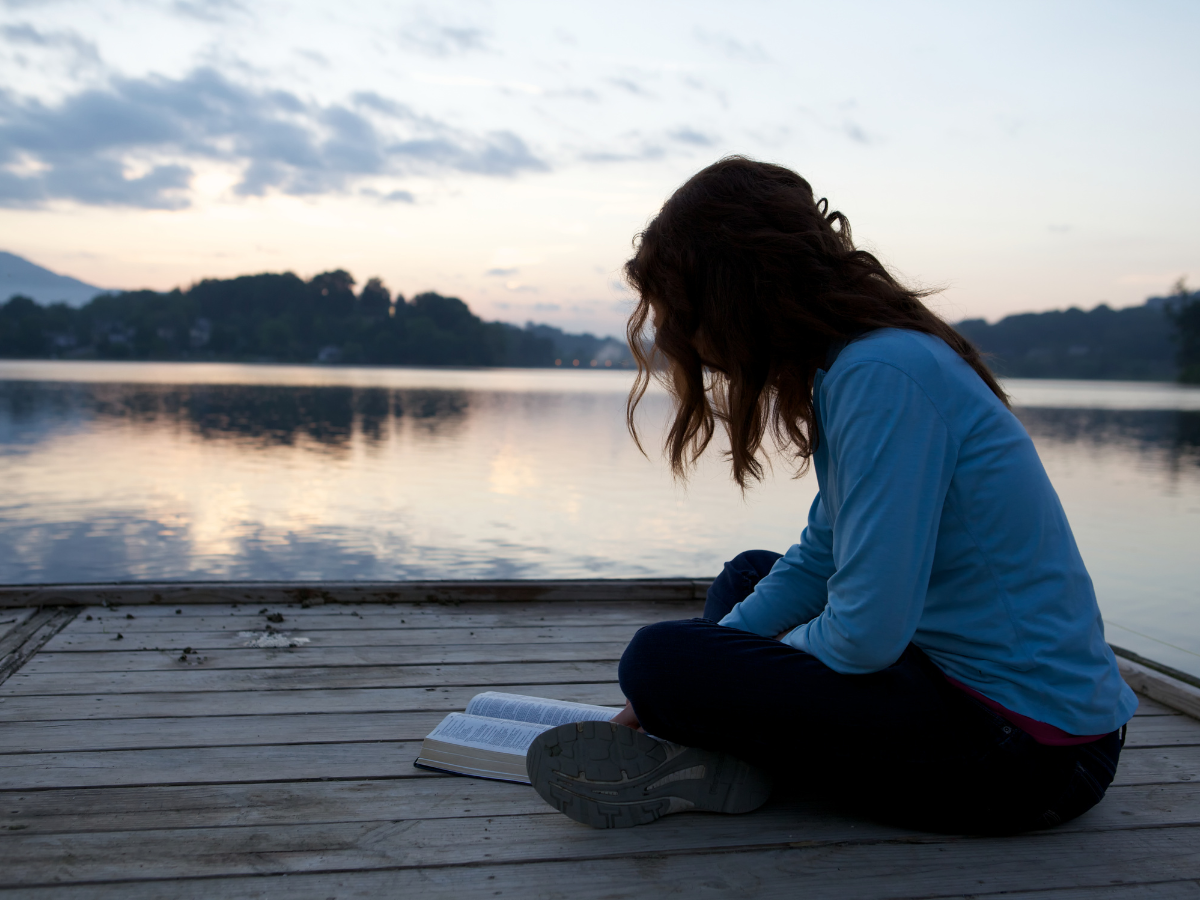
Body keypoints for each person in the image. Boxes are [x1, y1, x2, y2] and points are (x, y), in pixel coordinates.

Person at [525, 156, 1136, 833]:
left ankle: (728, 752)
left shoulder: (881, 373)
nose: (690, 342)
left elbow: (866, 634)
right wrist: (721, 670)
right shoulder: (863, 365)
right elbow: (823, 557)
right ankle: (728, 752)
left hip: (1028, 754)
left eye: (686, 315)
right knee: (750, 575)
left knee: (657, 660)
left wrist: (701, 685)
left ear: (731, 295)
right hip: (979, 704)